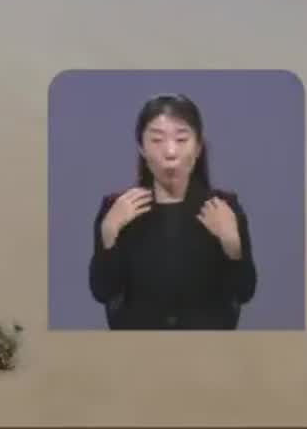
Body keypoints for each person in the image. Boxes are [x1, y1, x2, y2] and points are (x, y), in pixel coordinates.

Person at [89, 93, 257, 329]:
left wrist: (231, 244)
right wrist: (109, 233)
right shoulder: (117, 208)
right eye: (156, 140)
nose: (170, 152)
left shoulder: (223, 207)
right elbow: (102, 292)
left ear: (197, 147)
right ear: (141, 147)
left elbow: (245, 292)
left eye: (181, 139)